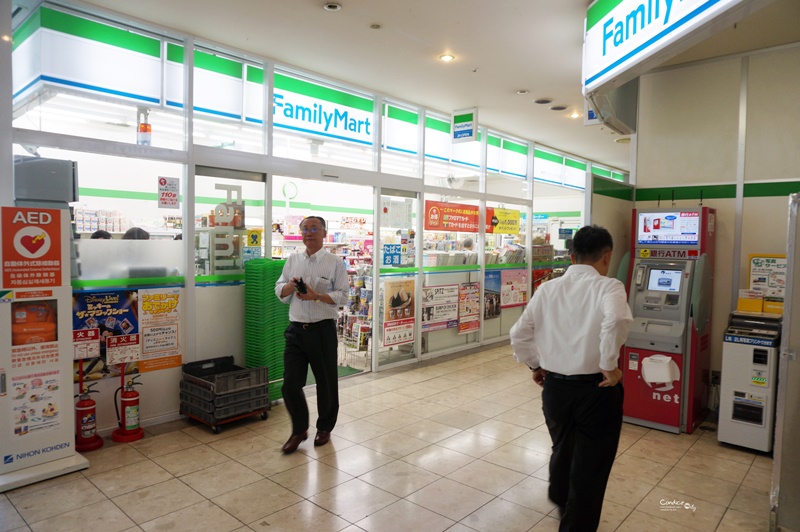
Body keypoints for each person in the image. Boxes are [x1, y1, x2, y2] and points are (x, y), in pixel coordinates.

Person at [509, 224, 632, 531]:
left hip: (555, 389)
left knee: (563, 446)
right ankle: (575, 522)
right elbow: (616, 318)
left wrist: (535, 365)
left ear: (572, 256)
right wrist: (609, 365)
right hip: (596, 390)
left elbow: (519, 333)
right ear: (607, 256)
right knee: (592, 466)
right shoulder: (609, 287)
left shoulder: (548, 288)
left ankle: (562, 499)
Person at [275, 215, 348, 454]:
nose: (309, 233)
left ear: (324, 233)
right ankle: (299, 430)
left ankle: (325, 427)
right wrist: (290, 286)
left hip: (322, 330)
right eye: (305, 229)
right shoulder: (293, 259)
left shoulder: (335, 262)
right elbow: (279, 288)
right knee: (290, 385)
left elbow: (343, 296)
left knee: (326, 383)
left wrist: (316, 295)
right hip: (296, 330)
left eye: (314, 229)